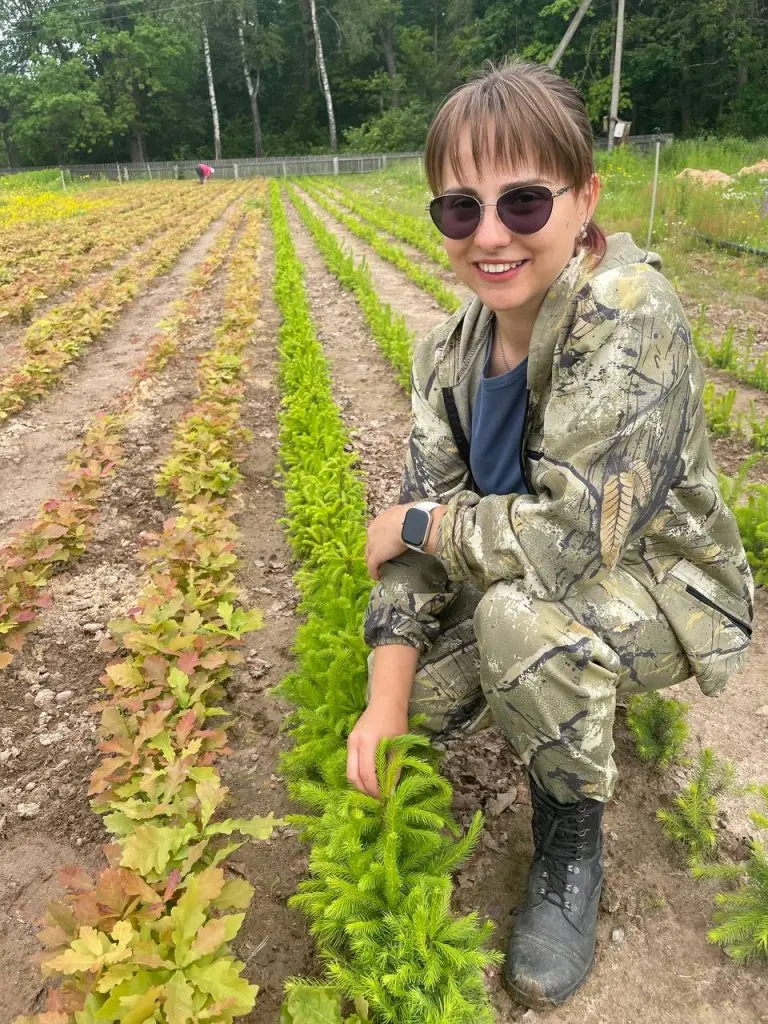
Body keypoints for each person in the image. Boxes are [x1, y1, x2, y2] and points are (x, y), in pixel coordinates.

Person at [348, 60, 753, 1009]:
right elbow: (417, 539)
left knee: (514, 627)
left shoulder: (628, 313)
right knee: (417, 714)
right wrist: (386, 697)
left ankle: (572, 840)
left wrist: (423, 521)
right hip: (529, 566)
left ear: (585, 199)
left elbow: (566, 542)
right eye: (460, 209)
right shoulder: (448, 354)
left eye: (524, 202)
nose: (490, 235)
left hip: (660, 585)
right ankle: (493, 687)